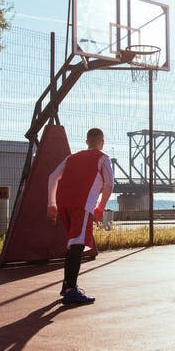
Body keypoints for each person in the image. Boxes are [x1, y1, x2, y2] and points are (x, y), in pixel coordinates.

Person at [47, 128, 114, 304]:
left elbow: (53, 177)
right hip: (82, 205)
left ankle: (67, 285)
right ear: (102, 142)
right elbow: (109, 185)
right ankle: (71, 290)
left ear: (86, 142)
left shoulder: (71, 157)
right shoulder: (103, 158)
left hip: (63, 204)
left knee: (72, 243)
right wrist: (100, 207)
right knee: (77, 244)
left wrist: (51, 203)